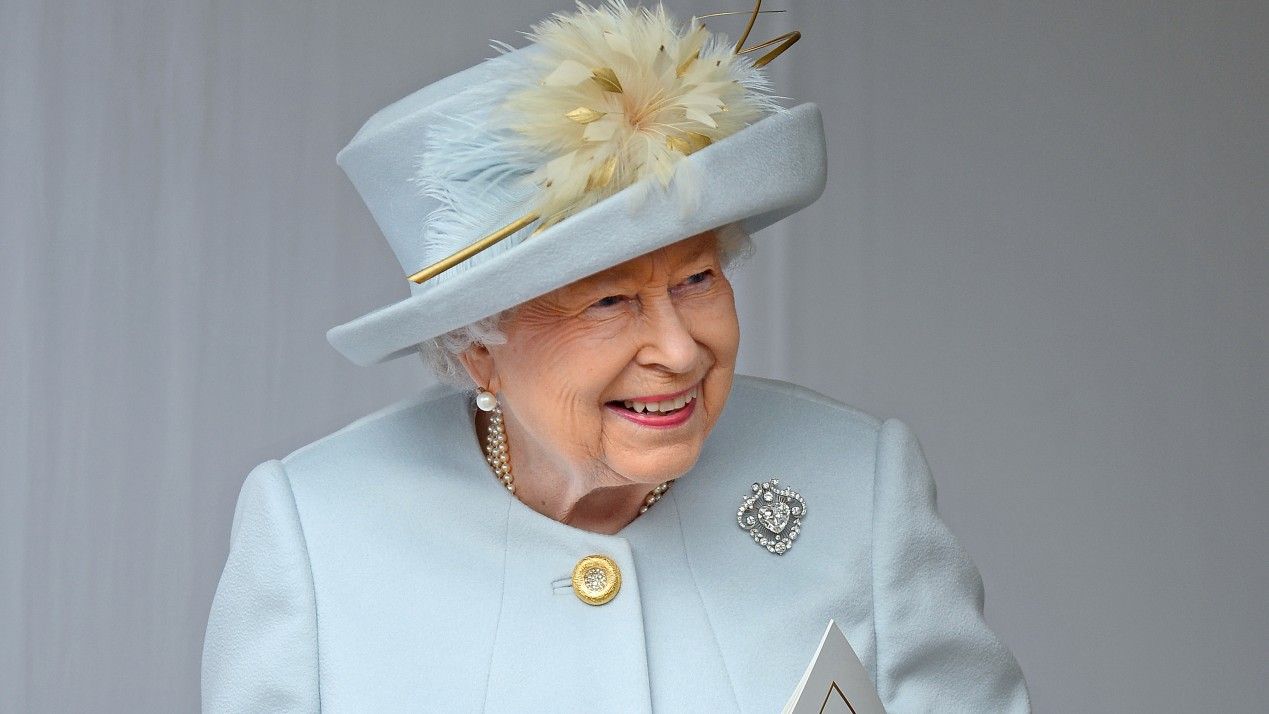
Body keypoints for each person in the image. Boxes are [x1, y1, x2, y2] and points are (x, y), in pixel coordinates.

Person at [201, 1, 1031, 711]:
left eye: (698, 277)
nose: (677, 349)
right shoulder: (319, 532)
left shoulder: (859, 486)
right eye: (609, 301)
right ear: (476, 352)